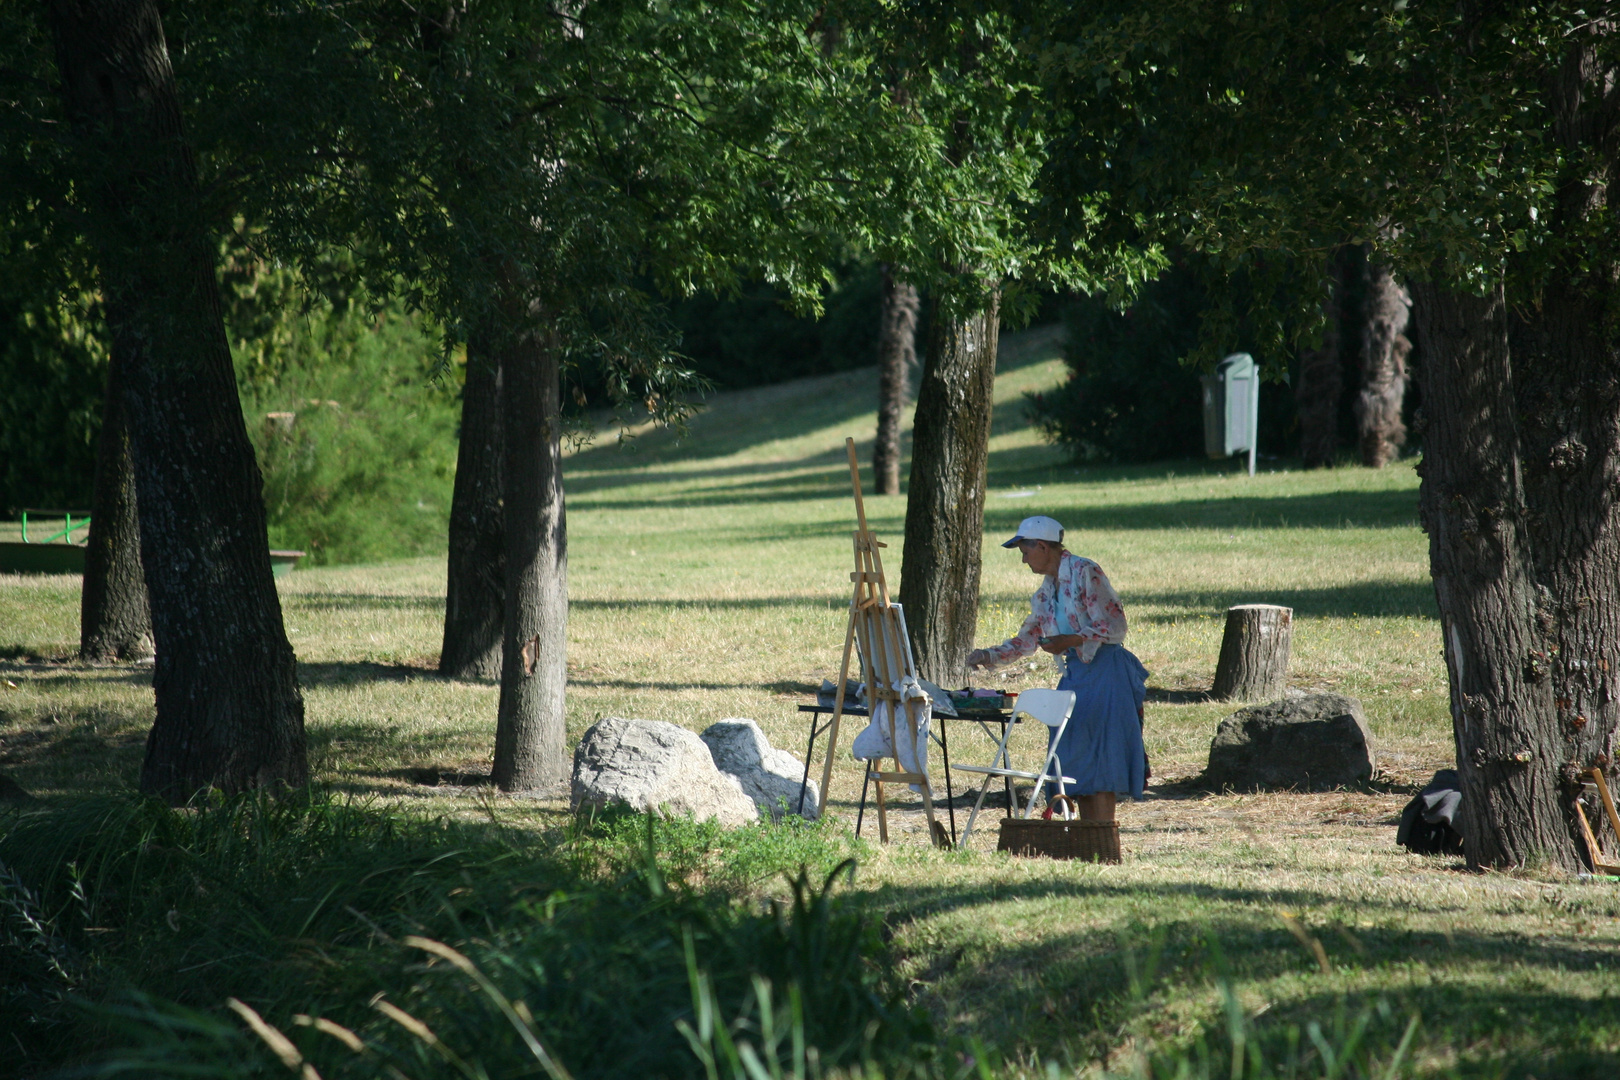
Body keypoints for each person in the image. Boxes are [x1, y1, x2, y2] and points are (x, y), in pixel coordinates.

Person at [966, 515, 1147, 821]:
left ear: (1044, 547)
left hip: (1106, 672)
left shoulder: (1084, 571)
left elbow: (1115, 625)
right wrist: (987, 655)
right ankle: (1087, 837)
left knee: (1101, 762)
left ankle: (1101, 835)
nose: (1023, 560)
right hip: (1075, 674)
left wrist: (1071, 639)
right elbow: (1028, 639)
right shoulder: (1047, 591)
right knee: (1074, 762)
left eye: (1026, 551)